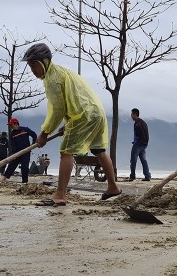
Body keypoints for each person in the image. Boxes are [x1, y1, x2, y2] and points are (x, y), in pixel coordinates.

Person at [22, 43, 121, 206]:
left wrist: (45, 132)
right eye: (30, 65)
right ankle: (112, 187)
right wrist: (67, 124)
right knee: (99, 150)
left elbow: (58, 109)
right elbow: (73, 99)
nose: (32, 69)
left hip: (84, 115)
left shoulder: (53, 78)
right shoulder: (61, 72)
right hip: (96, 113)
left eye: (34, 64)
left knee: (66, 152)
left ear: (45, 62)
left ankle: (59, 195)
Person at [0, 118, 37, 184]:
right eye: (10, 125)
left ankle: (25, 181)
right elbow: (12, 145)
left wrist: (32, 145)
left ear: (16, 123)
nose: (11, 126)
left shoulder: (25, 129)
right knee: (12, 165)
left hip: (26, 152)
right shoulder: (12, 134)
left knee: (24, 166)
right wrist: (13, 154)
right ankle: (4, 178)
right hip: (17, 152)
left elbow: (34, 135)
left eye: (11, 125)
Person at [128, 108, 151, 181]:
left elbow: (136, 135)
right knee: (144, 160)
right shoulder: (143, 122)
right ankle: (147, 176)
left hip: (138, 144)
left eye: (131, 114)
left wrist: (135, 142)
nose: (131, 116)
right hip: (144, 144)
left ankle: (132, 176)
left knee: (133, 160)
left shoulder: (137, 123)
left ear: (135, 114)